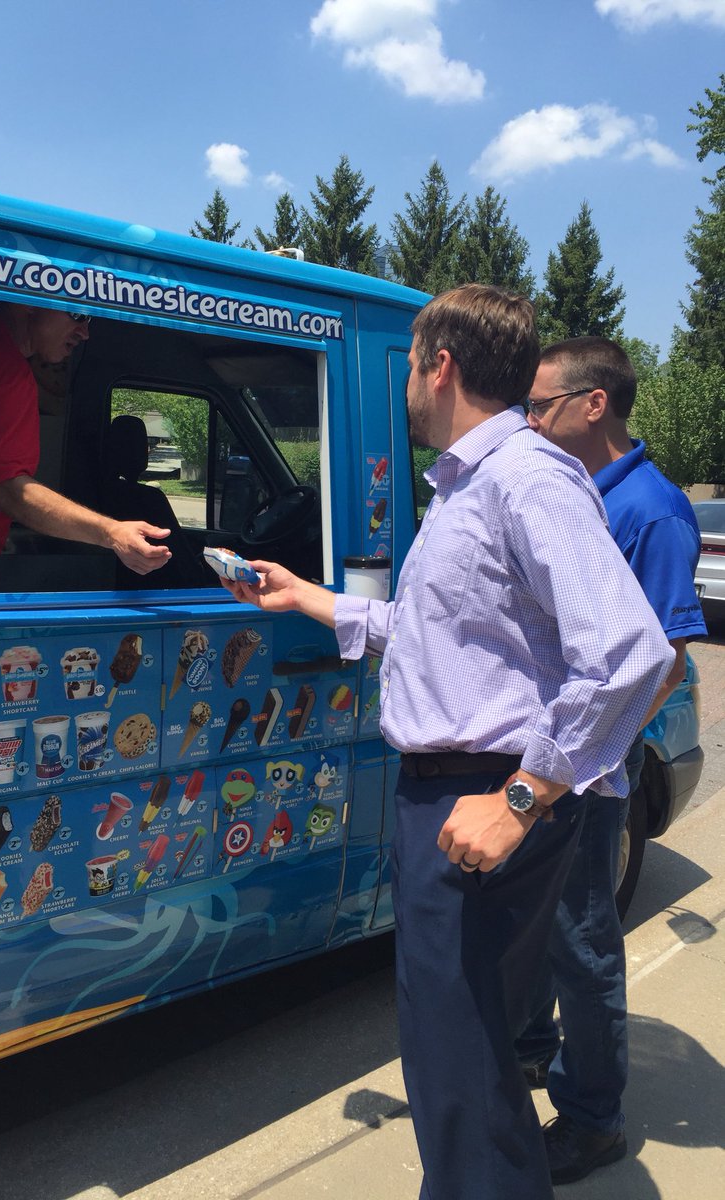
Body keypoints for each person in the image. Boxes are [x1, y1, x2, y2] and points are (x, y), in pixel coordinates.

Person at [220, 285, 674, 1200]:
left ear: (441, 366)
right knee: (467, 1058)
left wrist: (520, 798)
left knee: (455, 1063)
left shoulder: (525, 478)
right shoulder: (476, 484)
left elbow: (630, 652)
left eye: (414, 372)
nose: (409, 396)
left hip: (481, 800)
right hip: (453, 793)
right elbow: (448, 637)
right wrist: (310, 597)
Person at [515, 336, 707, 1183]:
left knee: (581, 941)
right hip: (537, 755)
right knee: (531, 927)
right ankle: (530, 1051)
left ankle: (593, 1120)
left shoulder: (653, 510)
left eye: (541, 406)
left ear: (594, 405)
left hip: (584, 773)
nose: (528, 421)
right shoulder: (572, 493)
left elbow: (666, 658)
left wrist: (591, 752)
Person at [0, 302, 173, 587]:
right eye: (77, 313)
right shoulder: (5, 367)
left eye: (89, 318)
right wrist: (111, 533)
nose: (85, 332)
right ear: (29, 301)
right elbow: (6, 490)